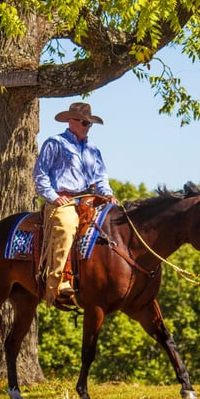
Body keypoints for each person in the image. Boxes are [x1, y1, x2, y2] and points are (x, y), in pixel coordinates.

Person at [33, 102, 118, 304]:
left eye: (90, 123)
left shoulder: (93, 150)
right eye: (84, 122)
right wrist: (54, 197)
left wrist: (108, 195)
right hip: (64, 199)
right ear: (71, 121)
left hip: (89, 198)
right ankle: (59, 282)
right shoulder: (55, 143)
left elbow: (101, 178)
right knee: (67, 225)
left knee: (112, 225)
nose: (88, 127)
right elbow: (40, 174)